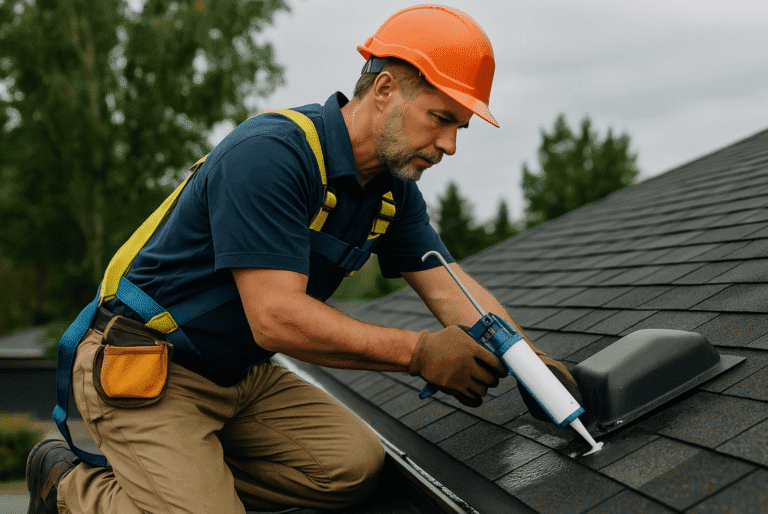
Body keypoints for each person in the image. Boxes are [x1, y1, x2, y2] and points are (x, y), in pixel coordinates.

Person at [26, 4, 579, 513]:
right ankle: (68, 488)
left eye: (459, 127)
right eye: (441, 118)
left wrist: (533, 365)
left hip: (239, 376)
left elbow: (449, 286)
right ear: (385, 89)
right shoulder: (271, 155)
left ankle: (187, 484)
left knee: (352, 468)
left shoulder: (391, 193)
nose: (450, 145)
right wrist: (419, 354)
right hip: (148, 364)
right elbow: (276, 316)